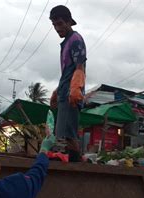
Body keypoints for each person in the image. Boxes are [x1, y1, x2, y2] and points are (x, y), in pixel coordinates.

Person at [49, 5, 87, 162]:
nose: (57, 28)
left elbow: (79, 67)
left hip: (72, 94)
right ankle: (72, 161)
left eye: (59, 24)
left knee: (69, 134)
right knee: (63, 133)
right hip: (65, 92)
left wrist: (76, 88)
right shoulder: (66, 43)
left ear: (69, 22)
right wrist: (57, 91)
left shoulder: (75, 40)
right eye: (54, 25)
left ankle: (76, 166)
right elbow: (68, 72)